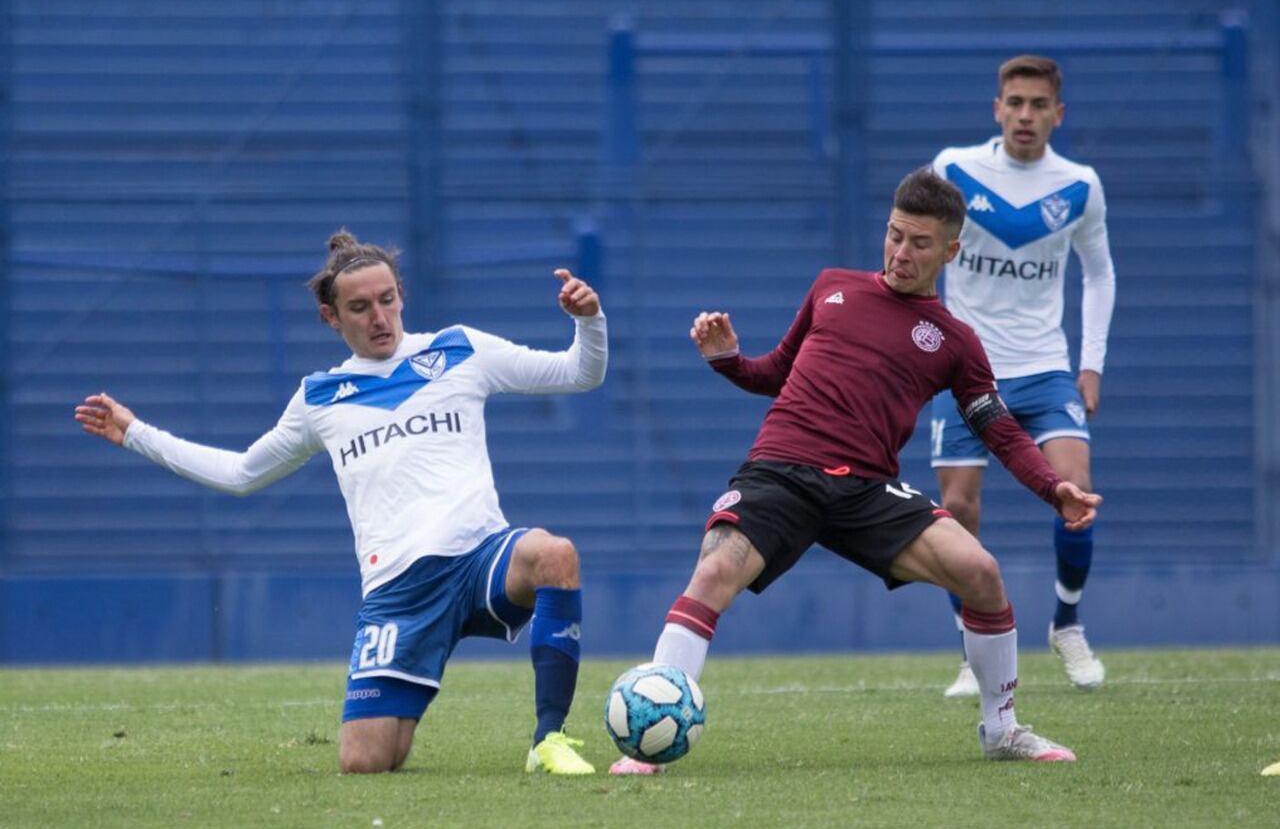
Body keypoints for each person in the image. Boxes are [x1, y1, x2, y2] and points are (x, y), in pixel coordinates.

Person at [609, 168, 1101, 776]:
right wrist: (727, 358)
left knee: (980, 571)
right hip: (781, 471)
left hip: (867, 488)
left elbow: (998, 428)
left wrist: (1054, 488)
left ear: (951, 251)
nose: (901, 253)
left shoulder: (956, 341)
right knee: (712, 571)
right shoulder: (832, 288)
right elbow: (773, 375)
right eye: (895, 235)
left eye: (920, 244)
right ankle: (649, 749)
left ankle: (1001, 730)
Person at [74, 229, 608, 775]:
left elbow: (580, 374)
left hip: (479, 557)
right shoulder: (318, 397)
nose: (379, 317)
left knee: (554, 554)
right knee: (366, 761)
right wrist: (136, 432)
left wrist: (588, 320)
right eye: (359, 307)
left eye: (387, 300)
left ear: (401, 295)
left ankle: (549, 740)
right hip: (398, 593)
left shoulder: (459, 349)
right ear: (332, 318)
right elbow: (240, 474)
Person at [930, 55, 1116, 698]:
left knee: (1077, 493)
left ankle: (1066, 623)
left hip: (1044, 369)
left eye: (1039, 105)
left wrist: (1089, 363)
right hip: (965, 373)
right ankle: (967, 651)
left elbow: (1099, 273)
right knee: (956, 510)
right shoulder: (953, 171)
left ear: (1057, 115)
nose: (1026, 115)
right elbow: (915, 249)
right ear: (997, 109)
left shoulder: (1079, 186)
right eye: (1015, 102)